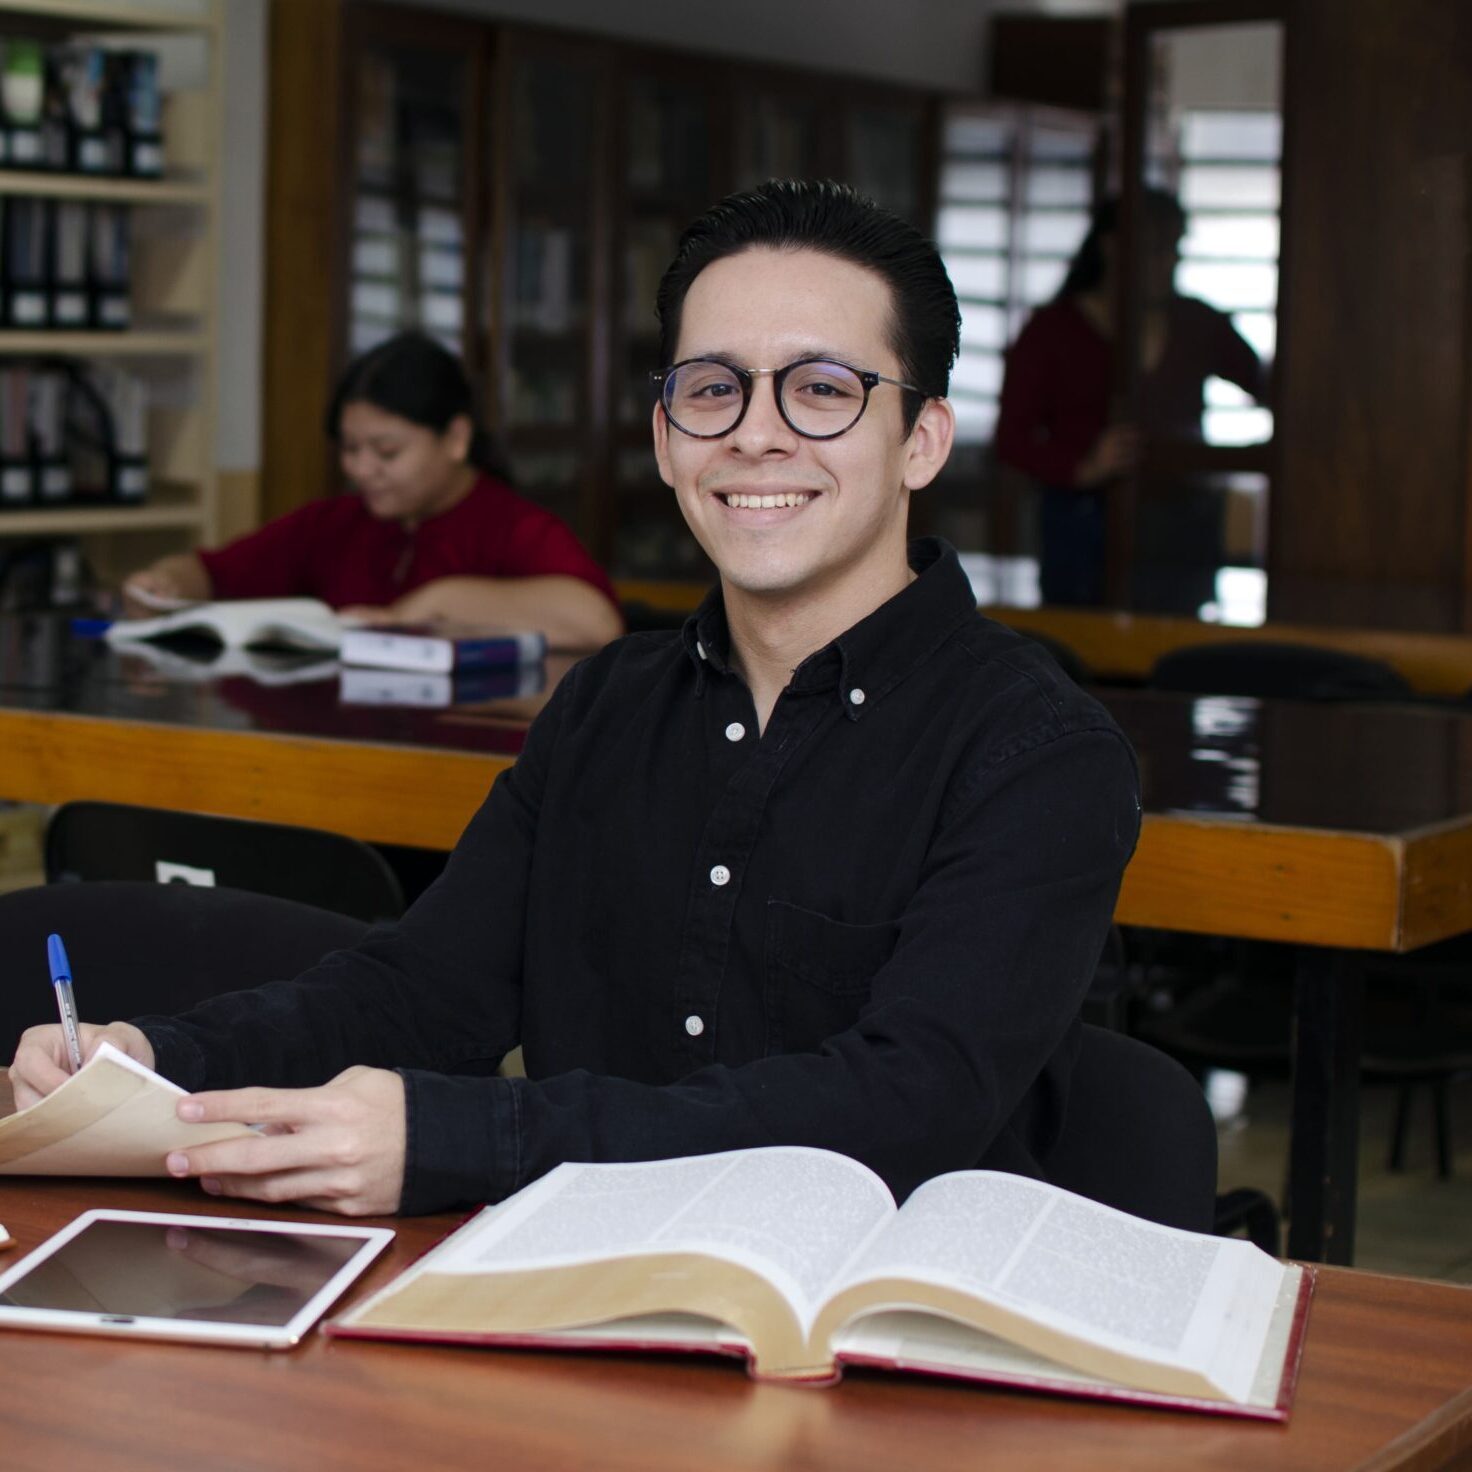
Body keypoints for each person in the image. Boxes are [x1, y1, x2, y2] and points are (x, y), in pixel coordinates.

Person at [11, 180, 1140, 1218]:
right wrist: (153, 1062)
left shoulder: (1037, 749)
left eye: (822, 390)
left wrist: (463, 1138)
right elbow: (427, 989)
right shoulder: (608, 703)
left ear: (921, 440)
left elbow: (908, 1102)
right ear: (664, 437)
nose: (754, 432)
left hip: (888, 1340)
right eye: (711, 389)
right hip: (575, 1299)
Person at [122, 332, 624, 650]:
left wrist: (433, 605)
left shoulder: (514, 526)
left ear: (455, 438)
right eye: (350, 449)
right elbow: (214, 572)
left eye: (386, 452)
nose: (363, 470)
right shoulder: (337, 523)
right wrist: (167, 582)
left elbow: (595, 621)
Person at [994, 190, 1268, 612]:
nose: (1169, 262)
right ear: (1112, 247)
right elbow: (1012, 439)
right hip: (1085, 523)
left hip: (1181, 525)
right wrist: (1083, 468)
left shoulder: (1196, 322)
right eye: (1158, 248)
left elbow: (1272, 389)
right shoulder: (1054, 330)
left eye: (1174, 249)